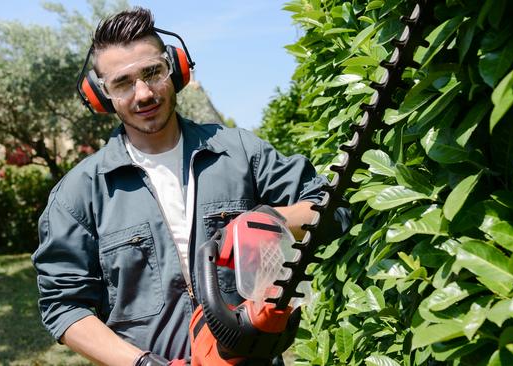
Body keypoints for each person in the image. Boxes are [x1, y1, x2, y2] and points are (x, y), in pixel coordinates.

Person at [32, 7, 344, 366]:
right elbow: (64, 306)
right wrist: (143, 364)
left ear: (176, 70)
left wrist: (268, 220)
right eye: (123, 82)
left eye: (153, 73)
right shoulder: (79, 194)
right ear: (102, 96)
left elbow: (330, 208)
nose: (144, 93)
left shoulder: (240, 152)